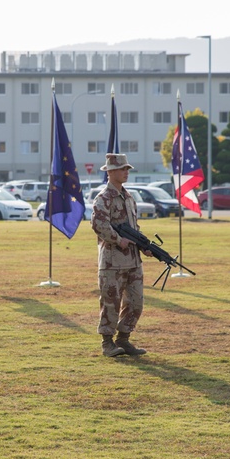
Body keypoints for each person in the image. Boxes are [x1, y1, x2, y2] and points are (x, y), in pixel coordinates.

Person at [91, 153, 148, 357]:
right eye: (123, 169)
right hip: (112, 262)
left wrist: (144, 245)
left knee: (136, 302)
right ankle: (107, 343)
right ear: (111, 172)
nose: (126, 172)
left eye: (127, 169)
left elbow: (134, 227)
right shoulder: (104, 198)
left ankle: (123, 339)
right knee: (110, 303)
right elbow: (98, 224)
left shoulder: (129, 197)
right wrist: (117, 239)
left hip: (133, 261)